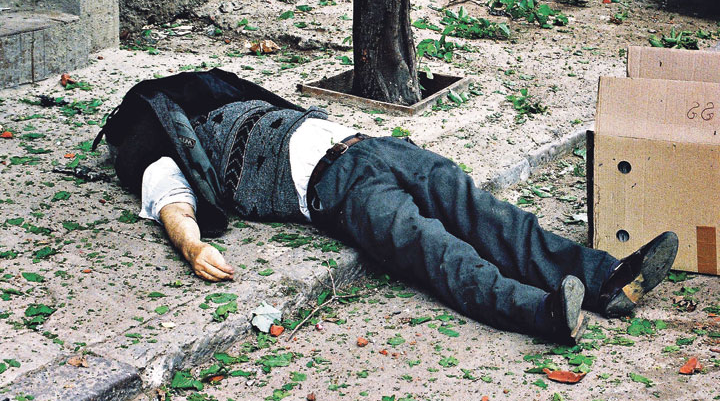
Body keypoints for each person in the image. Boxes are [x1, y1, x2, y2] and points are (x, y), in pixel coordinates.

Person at [96, 69, 678, 345]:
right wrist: (193, 246)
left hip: (376, 148)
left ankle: (606, 279)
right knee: (434, 249)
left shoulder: (222, 104)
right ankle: (543, 313)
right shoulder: (164, 154)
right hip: (337, 189)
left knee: (484, 213)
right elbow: (172, 206)